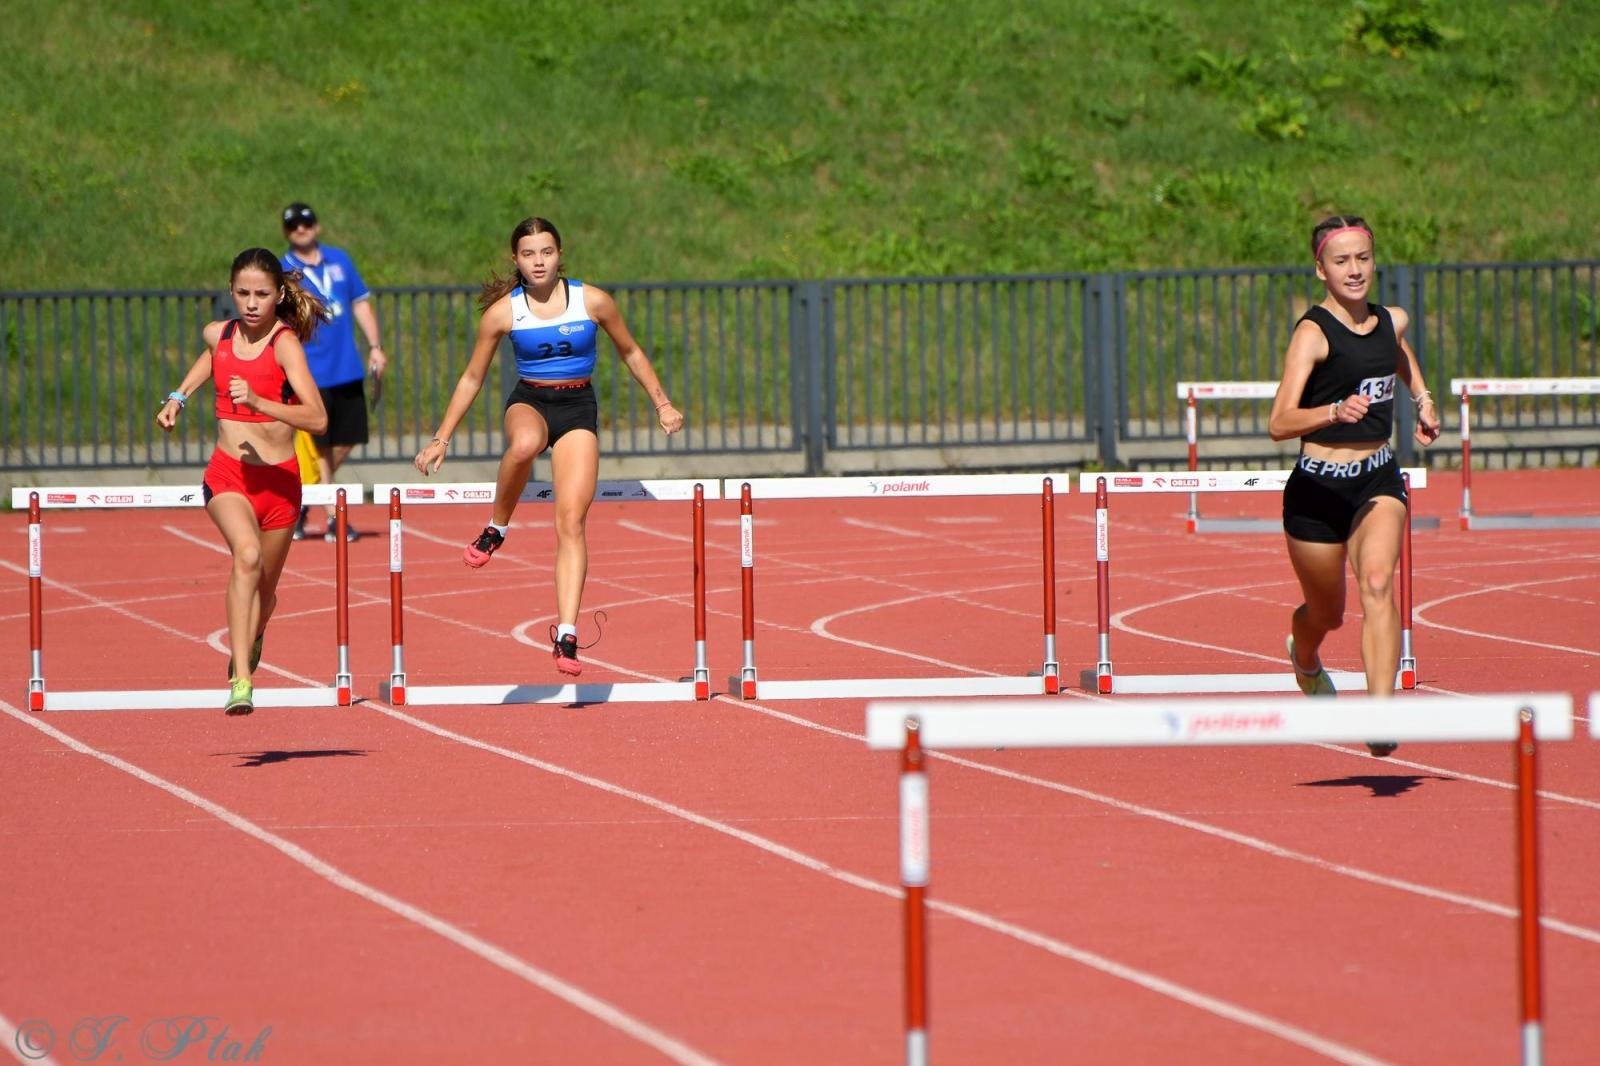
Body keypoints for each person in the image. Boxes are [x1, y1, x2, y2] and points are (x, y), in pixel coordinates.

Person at [412, 217, 684, 676]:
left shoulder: (592, 300)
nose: (538, 261)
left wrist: (663, 404)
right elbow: (472, 377)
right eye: (528, 254)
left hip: (578, 407)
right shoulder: (504, 312)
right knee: (525, 443)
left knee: (572, 521)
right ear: (516, 260)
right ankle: (497, 527)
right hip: (531, 401)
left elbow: (631, 352)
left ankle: (567, 635)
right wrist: (442, 437)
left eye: (546, 252)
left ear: (560, 255)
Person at [1268, 214, 1441, 757]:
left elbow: (1396, 353)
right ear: (1321, 269)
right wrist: (1333, 411)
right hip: (1317, 490)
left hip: (1376, 478)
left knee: (1377, 583)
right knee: (1327, 614)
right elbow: (1279, 422)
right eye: (1341, 261)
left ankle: (1380, 712)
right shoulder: (1313, 334)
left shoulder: (1392, 319)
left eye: (1363, 258)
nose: (1355, 269)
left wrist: (1423, 399)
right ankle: (1304, 654)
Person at [157, 248, 329, 714]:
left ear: (277, 296)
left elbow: (316, 419)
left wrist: (259, 402)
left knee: (265, 595)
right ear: (231, 292)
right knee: (246, 557)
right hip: (227, 474)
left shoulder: (284, 344)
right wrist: (178, 397)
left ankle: (255, 634)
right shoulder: (220, 333)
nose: (251, 303)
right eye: (243, 293)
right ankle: (242, 678)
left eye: (261, 294)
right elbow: (212, 356)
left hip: (280, 483)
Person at [279, 202, 386, 541]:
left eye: (305, 223)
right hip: (310, 370)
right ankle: (332, 518)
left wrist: (375, 346)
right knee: (321, 447)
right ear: (286, 232)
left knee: (349, 439)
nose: (300, 229)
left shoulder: (339, 260)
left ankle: (303, 498)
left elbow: (360, 303)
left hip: (346, 365)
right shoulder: (283, 269)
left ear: (317, 226)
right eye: (293, 225)